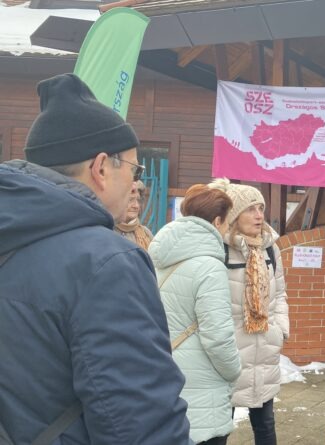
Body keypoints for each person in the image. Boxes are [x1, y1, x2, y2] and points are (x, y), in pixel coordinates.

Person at [0, 73, 191, 443]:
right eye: (135, 169)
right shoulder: (106, 263)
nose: (136, 184)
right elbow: (141, 424)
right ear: (101, 167)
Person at [148, 184, 242, 445]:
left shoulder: (157, 256)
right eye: (227, 222)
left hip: (164, 373)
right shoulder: (210, 266)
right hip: (203, 388)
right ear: (217, 221)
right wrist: (234, 371)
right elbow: (218, 337)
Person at [208, 178, 289, 445]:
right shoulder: (219, 249)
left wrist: (280, 329)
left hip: (264, 349)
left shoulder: (270, 248)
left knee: (265, 426)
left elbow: (280, 294)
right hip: (230, 354)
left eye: (261, 208)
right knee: (219, 429)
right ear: (233, 215)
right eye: (250, 209)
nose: (258, 215)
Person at [114, 180, 154, 250]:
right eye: (130, 200)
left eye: (138, 200)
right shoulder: (106, 231)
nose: (136, 206)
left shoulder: (146, 234)